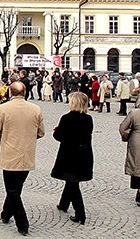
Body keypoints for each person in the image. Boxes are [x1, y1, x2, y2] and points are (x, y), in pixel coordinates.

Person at [0, 82, 45, 236]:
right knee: (16, 188)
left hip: (9, 153)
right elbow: (41, 132)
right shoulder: (35, 109)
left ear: (10, 93)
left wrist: (3, 138)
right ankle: (6, 213)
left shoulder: (3, 109)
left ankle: (22, 223)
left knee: (12, 190)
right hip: (27, 154)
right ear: (25, 92)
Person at [51, 92, 93, 225]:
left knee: (73, 183)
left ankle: (80, 213)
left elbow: (59, 136)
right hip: (84, 154)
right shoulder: (88, 119)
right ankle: (63, 204)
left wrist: (57, 130)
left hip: (70, 154)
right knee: (72, 180)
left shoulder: (67, 118)